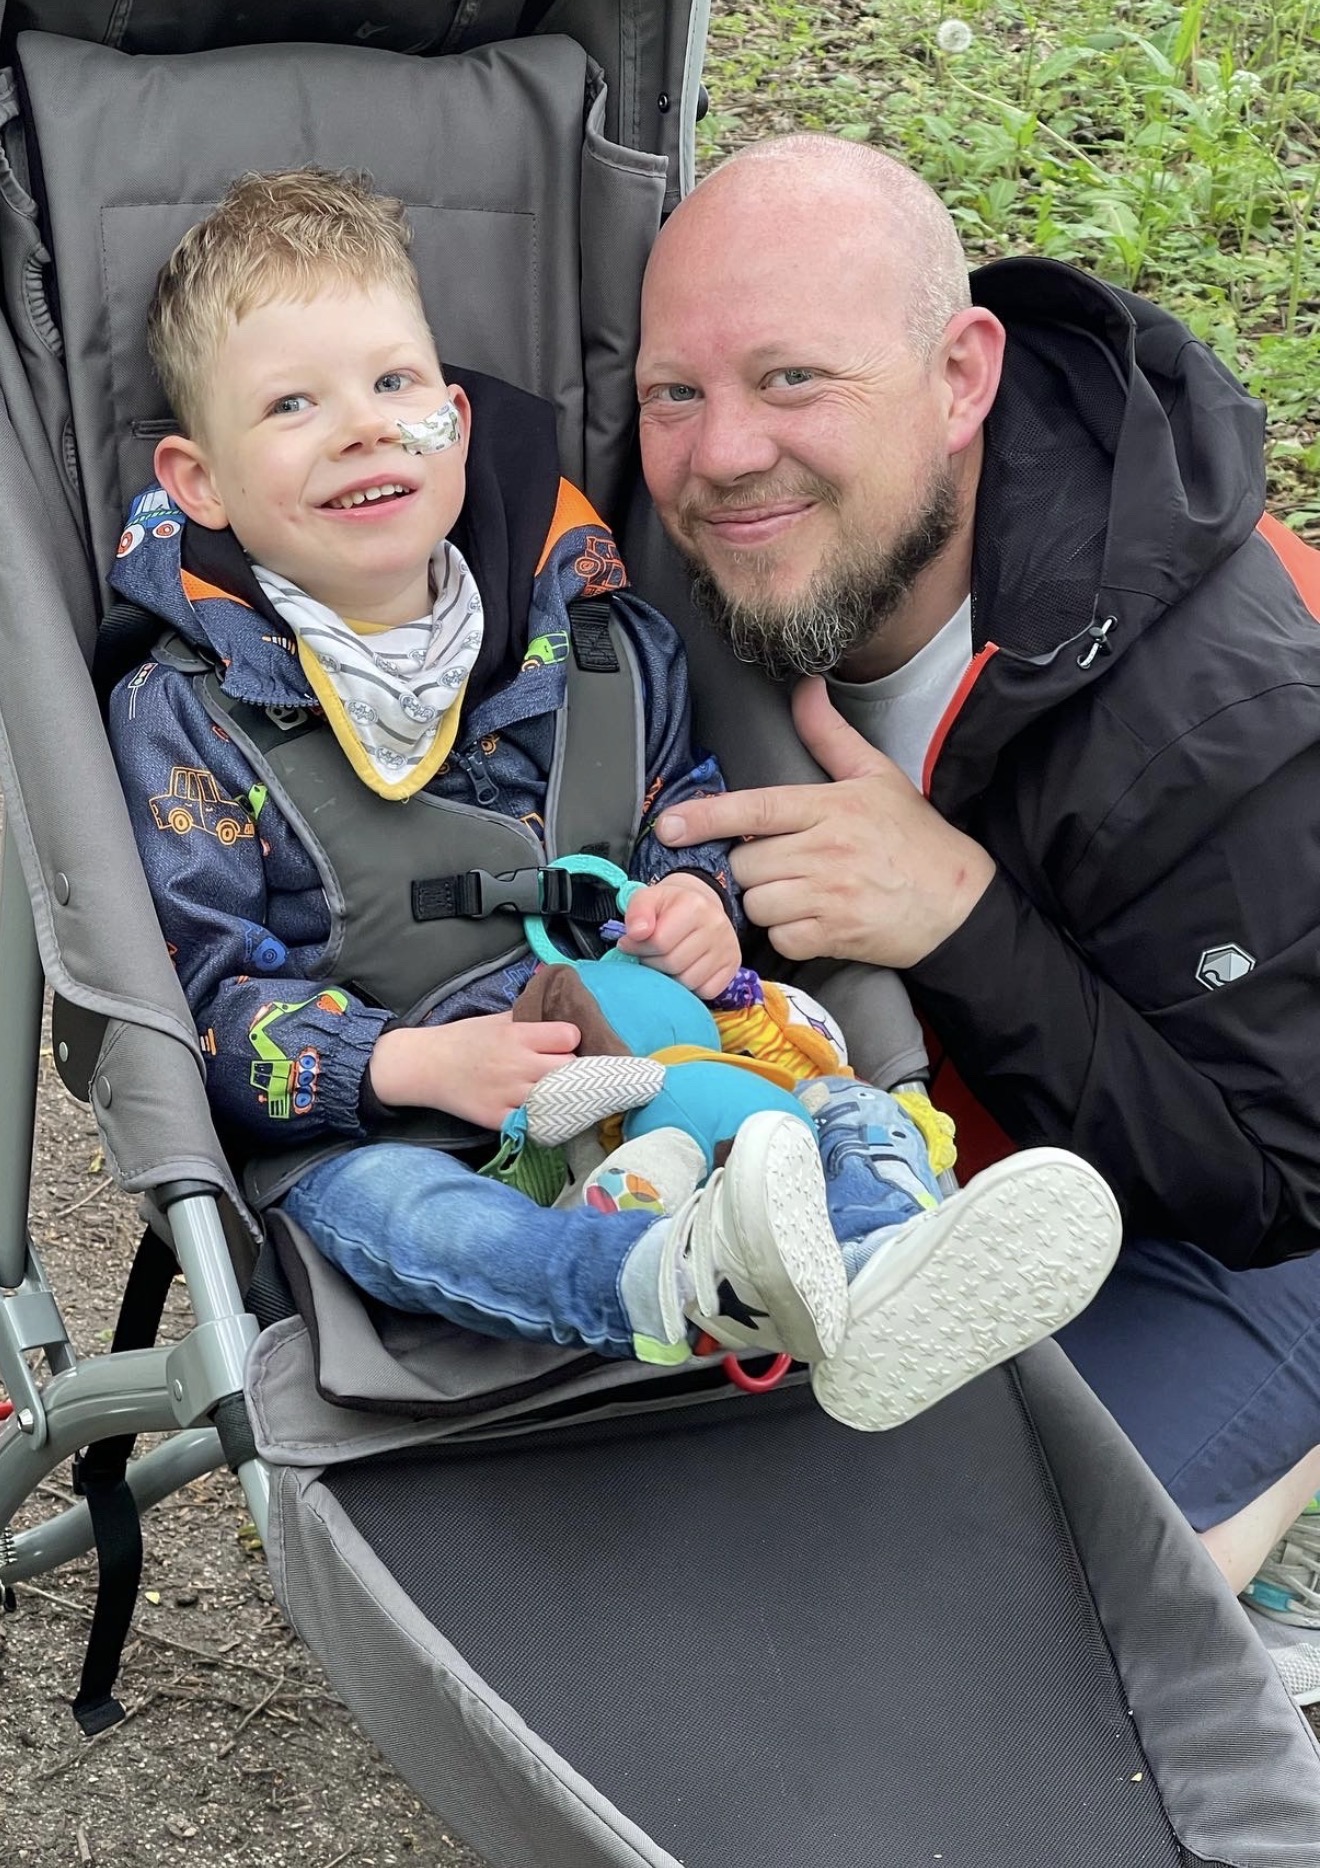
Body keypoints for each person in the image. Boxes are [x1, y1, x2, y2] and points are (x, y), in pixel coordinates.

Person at [105, 166, 1121, 1430]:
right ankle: (666, 1277)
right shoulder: (189, 716)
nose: (362, 428)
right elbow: (203, 1005)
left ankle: (889, 1254)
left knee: (841, 1094)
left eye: (394, 384)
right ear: (199, 481)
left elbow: (676, 816)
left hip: (650, 1061)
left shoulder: (603, 641)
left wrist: (694, 903)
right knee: (392, 1215)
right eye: (292, 404)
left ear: (456, 422)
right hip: (406, 1125)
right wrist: (406, 1063)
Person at [636, 131, 1320, 1593]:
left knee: (1021, 1590)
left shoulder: (1220, 720)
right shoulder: (669, 558)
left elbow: (1278, 1182)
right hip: (974, 1141)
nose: (724, 453)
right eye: (673, 393)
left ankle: (1253, 1541)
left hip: (1275, 1178)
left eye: (792, 379)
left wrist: (956, 914)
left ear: (961, 379)